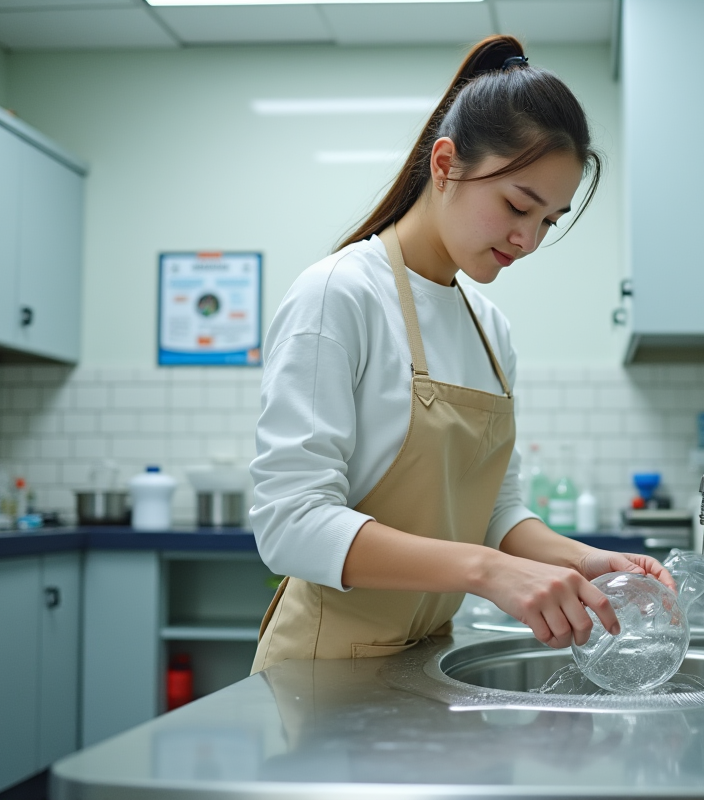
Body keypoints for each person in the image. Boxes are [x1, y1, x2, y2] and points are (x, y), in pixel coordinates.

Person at [250, 35, 674, 669]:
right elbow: (290, 523)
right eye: (516, 206)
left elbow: (494, 512)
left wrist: (582, 560)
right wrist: (489, 571)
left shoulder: (490, 329)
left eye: (548, 222)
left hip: (422, 662)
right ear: (445, 165)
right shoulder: (340, 295)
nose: (527, 240)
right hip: (324, 670)